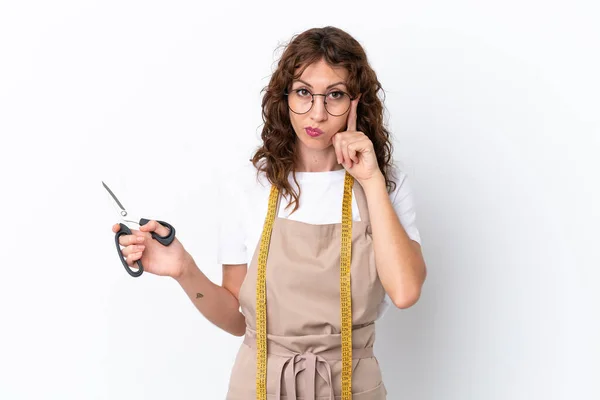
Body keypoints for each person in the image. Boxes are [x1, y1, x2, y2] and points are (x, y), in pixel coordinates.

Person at [111, 26, 427, 400]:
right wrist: (184, 269)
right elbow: (236, 320)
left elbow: (406, 291)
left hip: (352, 389)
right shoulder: (249, 187)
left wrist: (371, 179)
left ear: (357, 102)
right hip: (260, 386)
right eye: (304, 93)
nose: (317, 113)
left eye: (335, 95)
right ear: (284, 96)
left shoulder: (386, 185)